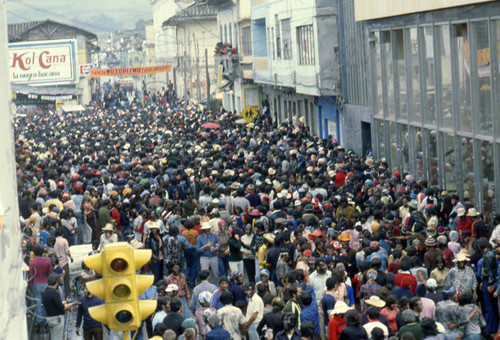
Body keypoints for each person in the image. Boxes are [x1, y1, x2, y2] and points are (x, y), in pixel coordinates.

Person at [42, 273, 77, 339]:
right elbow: (61, 307)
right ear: (56, 283)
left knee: (53, 337)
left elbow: (53, 303)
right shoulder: (55, 294)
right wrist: (71, 304)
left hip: (50, 318)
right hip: (57, 320)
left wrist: (64, 302)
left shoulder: (45, 292)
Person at [29, 243, 53, 330]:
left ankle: (39, 322)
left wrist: (29, 286)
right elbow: (51, 273)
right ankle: (47, 321)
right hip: (45, 283)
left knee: (38, 304)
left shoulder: (32, 262)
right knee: (46, 303)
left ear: (34, 252)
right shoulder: (48, 261)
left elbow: (31, 275)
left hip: (36, 284)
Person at [54, 227, 72, 298]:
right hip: (64, 261)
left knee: (58, 280)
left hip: (57, 263)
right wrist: (71, 257)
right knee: (66, 280)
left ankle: (59, 295)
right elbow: (67, 251)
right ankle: (68, 295)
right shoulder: (64, 241)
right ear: (62, 234)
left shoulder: (54, 240)